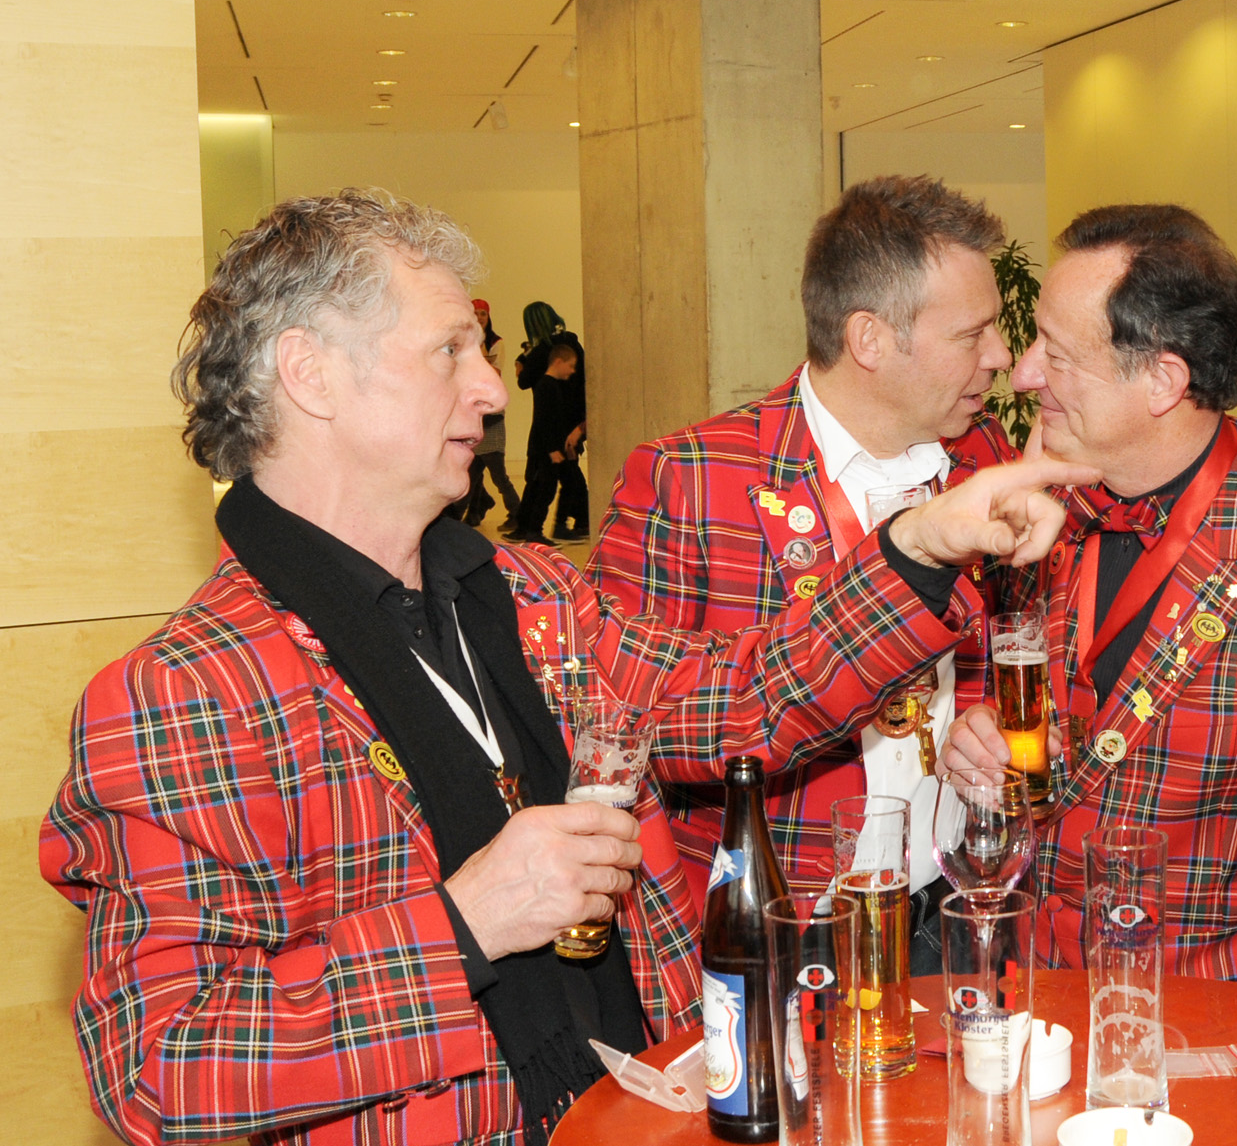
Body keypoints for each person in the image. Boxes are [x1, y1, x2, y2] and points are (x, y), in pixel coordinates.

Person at [39, 189, 1089, 1146]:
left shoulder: (531, 595)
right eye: (450, 351)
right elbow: (159, 1066)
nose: (491, 387)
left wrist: (918, 545)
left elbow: (744, 701)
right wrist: (465, 924)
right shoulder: (187, 690)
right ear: (310, 374)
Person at [940, 204, 1237, 997]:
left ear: (1163, 380)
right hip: (1029, 1004)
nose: (1022, 374)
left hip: (1211, 1033)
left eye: (1055, 354)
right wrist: (978, 743)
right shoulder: (1035, 520)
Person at [588, 175, 1020, 968]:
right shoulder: (691, 479)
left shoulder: (985, 458)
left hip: (949, 908)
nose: (1002, 357)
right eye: (973, 333)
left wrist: (984, 714)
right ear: (870, 339)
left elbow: (1009, 643)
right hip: (776, 930)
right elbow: (623, 728)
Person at [508, 302, 588, 547]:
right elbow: (583, 383)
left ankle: (532, 527)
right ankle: (551, 525)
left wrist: (522, 360)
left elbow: (524, 381)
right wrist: (580, 427)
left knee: (548, 479)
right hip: (570, 422)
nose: (571, 370)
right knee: (563, 477)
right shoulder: (571, 344)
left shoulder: (541, 353)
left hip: (555, 427)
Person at [445, 297, 521, 527]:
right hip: (471, 412)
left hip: (491, 418)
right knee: (471, 472)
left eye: (483, 314)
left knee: (498, 474)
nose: (479, 318)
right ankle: (462, 517)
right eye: (475, 313)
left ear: (489, 317)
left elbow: (493, 373)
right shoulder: (459, 342)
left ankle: (517, 514)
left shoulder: (496, 342)